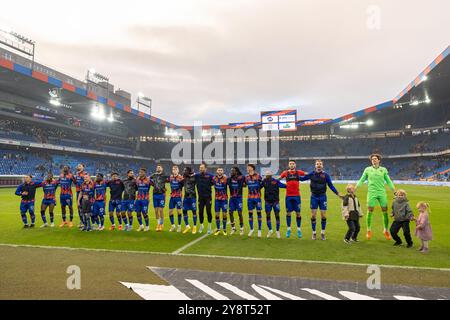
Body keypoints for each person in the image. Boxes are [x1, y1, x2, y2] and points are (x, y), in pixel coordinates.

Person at [356, 154, 396, 240]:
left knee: (385, 211)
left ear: (379, 160)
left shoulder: (383, 170)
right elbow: (362, 179)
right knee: (370, 210)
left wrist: (394, 190)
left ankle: (385, 230)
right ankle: (369, 230)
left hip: (382, 193)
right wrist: (355, 188)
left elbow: (388, 181)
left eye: (375, 159)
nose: (373, 160)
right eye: (372, 159)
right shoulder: (367, 169)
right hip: (371, 193)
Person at [299, 160, 342, 240]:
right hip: (314, 197)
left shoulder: (326, 175)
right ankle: (314, 233)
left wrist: (337, 193)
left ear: (322, 166)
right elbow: (302, 179)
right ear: (315, 166)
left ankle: (322, 233)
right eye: (317, 164)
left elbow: (331, 185)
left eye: (320, 164)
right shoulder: (311, 174)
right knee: (313, 215)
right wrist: (294, 174)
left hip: (323, 197)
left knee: (323, 215)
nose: (319, 165)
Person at [279, 160, 307, 239]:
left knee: (298, 213)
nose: (291, 165)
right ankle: (288, 229)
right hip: (288, 196)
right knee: (288, 213)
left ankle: (299, 229)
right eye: (290, 164)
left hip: (297, 196)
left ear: (295, 165)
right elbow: (278, 180)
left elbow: (308, 174)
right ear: (288, 165)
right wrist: (283, 186)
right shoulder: (285, 173)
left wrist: (315, 173)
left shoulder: (298, 172)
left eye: (293, 164)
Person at [262, 171, 286, 239]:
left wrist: (289, 186)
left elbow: (283, 186)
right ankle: (270, 230)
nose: (267, 176)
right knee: (268, 215)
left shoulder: (275, 181)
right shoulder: (264, 181)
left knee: (277, 215)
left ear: (271, 175)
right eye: (266, 175)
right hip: (267, 202)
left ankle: (277, 231)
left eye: (268, 175)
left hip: (275, 202)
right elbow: (259, 187)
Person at [244, 164, 264, 238]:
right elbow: (245, 185)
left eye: (248, 167)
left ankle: (259, 230)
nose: (247, 168)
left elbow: (262, 184)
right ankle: (251, 229)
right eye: (247, 167)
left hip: (257, 197)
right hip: (250, 198)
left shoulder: (258, 176)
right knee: (250, 213)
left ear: (252, 168)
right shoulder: (246, 177)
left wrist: (257, 190)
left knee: (259, 213)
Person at [195, 163, 214, 234]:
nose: (201, 169)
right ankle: (201, 225)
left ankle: (209, 226)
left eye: (202, 167)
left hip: (208, 197)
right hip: (200, 197)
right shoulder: (197, 176)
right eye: (200, 168)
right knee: (200, 212)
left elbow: (215, 181)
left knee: (208, 211)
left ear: (205, 168)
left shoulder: (210, 176)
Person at [150, 164, 168, 232]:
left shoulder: (164, 176)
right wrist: (153, 185)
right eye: (157, 167)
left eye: (159, 167)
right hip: (155, 194)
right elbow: (148, 179)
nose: (158, 168)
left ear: (162, 169)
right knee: (156, 211)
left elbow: (170, 180)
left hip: (161, 195)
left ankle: (161, 224)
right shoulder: (154, 175)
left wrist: (164, 189)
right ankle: (158, 224)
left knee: (161, 210)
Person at [228, 167, 245, 235]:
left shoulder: (241, 178)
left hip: (239, 198)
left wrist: (244, 185)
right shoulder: (229, 179)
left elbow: (245, 184)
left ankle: (241, 228)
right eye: (231, 170)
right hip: (232, 198)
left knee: (239, 213)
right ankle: (233, 228)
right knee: (230, 212)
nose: (231, 172)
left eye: (233, 171)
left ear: (236, 171)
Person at [168, 165, 184, 232]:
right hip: (172, 197)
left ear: (178, 170)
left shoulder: (181, 178)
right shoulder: (171, 177)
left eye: (176, 169)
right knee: (170, 212)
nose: (174, 170)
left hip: (178, 197)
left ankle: (179, 226)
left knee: (179, 211)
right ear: (172, 170)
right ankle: (173, 226)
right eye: (173, 169)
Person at [213, 167, 228, 236]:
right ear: (216, 171)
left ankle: (224, 229)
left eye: (221, 170)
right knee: (217, 214)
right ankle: (218, 229)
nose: (220, 171)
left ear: (223, 171)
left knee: (224, 214)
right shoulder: (213, 178)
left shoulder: (226, 178)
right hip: (217, 200)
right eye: (218, 170)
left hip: (224, 199)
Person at [182, 167, 197, 234]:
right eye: (184, 170)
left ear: (189, 171)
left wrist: (193, 174)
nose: (184, 171)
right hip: (186, 197)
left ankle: (194, 226)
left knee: (194, 211)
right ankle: (187, 226)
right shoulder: (184, 177)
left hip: (192, 197)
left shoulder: (194, 177)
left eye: (185, 170)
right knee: (184, 211)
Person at [74, 164, 87, 228]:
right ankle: (81, 221)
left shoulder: (85, 174)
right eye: (78, 166)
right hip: (78, 192)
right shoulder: (76, 174)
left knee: (84, 207)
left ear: (83, 167)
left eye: (80, 166)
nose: (78, 167)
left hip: (84, 192)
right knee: (79, 207)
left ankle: (86, 222)